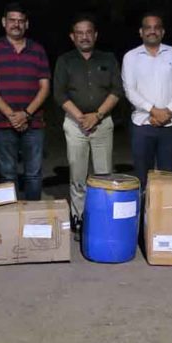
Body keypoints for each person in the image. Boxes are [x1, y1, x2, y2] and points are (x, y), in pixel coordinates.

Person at [53, 14, 123, 230]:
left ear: (95, 35)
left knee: (104, 174)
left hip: (102, 122)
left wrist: (97, 115)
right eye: (79, 33)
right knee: (78, 175)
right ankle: (79, 218)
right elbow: (59, 93)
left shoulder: (108, 59)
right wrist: (81, 118)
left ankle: (103, 218)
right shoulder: (65, 61)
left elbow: (117, 90)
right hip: (75, 124)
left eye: (88, 32)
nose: (84, 37)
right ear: (72, 37)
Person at [0, 3, 50, 200]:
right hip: (2, 122)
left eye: (21, 21)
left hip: (33, 122)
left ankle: (32, 214)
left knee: (34, 174)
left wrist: (26, 114)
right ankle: (11, 215)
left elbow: (45, 88)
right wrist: (12, 116)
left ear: (26, 24)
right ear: (4, 22)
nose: (16, 24)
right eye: (12, 20)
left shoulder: (38, 50)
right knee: (7, 175)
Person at [122, 12, 172, 189]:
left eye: (156, 27)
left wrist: (168, 111)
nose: (152, 31)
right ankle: (145, 207)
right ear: (141, 32)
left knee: (169, 177)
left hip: (171, 123)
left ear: (162, 32)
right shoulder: (131, 57)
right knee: (143, 178)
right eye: (148, 28)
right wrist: (153, 110)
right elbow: (130, 90)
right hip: (143, 124)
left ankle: (167, 207)